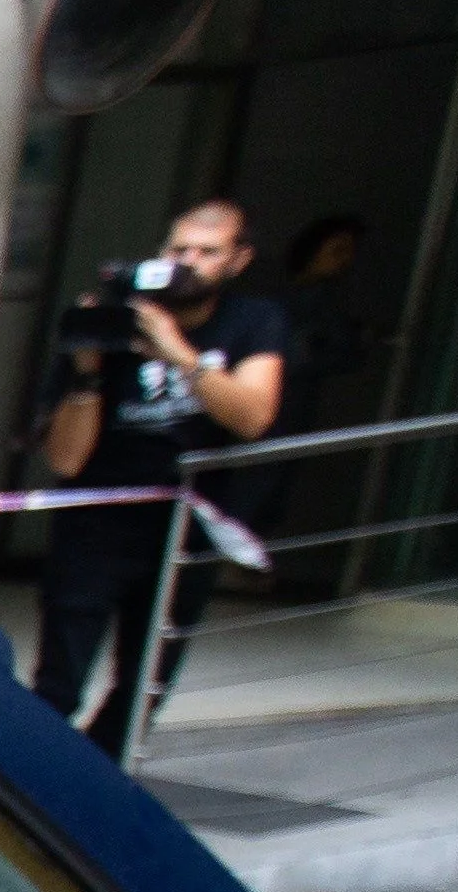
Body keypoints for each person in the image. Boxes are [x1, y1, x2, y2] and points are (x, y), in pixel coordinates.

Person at [40, 198, 286, 741]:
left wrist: (176, 350)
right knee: (58, 684)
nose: (188, 262)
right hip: (97, 519)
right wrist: (87, 375)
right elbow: (63, 458)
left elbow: (252, 416)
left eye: (207, 252)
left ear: (237, 261)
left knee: (144, 686)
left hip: (185, 527)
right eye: (178, 250)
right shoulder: (111, 316)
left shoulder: (253, 321)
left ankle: (99, 790)